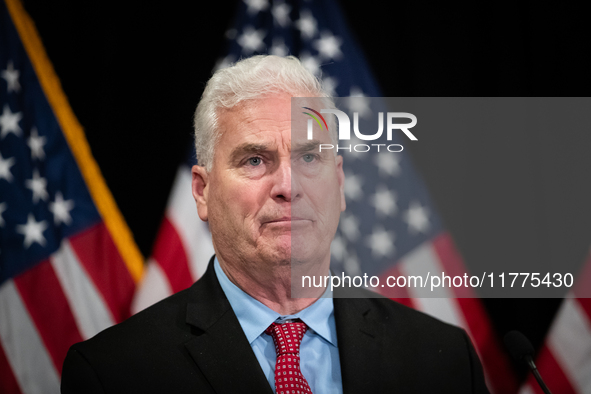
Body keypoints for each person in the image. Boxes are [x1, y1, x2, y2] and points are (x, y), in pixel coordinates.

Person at [61, 55, 490, 394]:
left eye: (309, 158)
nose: (288, 185)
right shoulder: (114, 375)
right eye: (254, 160)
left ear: (338, 183)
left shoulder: (445, 360)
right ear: (201, 191)